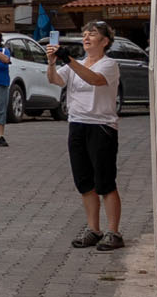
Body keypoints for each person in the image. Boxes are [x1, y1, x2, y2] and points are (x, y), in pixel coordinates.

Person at [48, 19, 123, 251]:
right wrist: (51, 63)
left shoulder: (109, 64)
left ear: (105, 41)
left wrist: (68, 60)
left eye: (92, 34)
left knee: (105, 181)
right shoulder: (76, 64)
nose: (86, 37)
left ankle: (114, 232)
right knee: (84, 182)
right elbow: (56, 80)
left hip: (101, 126)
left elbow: (94, 80)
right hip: (77, 124)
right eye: (84, 34)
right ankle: (93, 228)